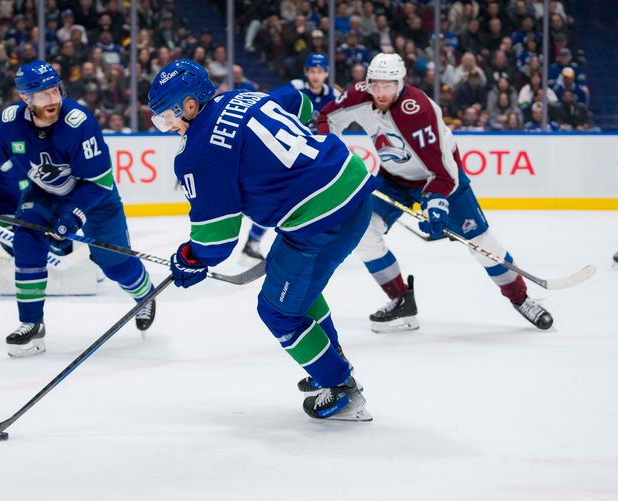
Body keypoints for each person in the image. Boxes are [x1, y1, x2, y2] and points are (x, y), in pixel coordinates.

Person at [148, 59, 378, 421]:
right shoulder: (243, 96)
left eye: (167, 116)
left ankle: (340, 387)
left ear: (190, 105)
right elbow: (300, 101)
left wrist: (190, 257)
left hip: (318, 222)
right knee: (299, 292)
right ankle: (329, 363)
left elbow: (217, 241)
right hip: (354, 186)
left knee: (277, 311)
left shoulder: (196, 152)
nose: (167, 127)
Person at [317, 53, 553, 333]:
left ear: (400, 83)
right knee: (365, 232)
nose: (380, 92)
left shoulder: (417, 112)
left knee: (481, 242)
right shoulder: (360, 96)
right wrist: (328, 155)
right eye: (375, 85)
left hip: (441, 178)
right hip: (393, 179)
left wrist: (435, 204)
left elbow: (443, 171)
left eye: (388, 86)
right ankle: (401, 300)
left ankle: (521, 298)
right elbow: (326, 118)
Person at [0, 60, 157, 357]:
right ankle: (31, 324)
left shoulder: (78, 123)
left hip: (96, 199)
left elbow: (99, 182)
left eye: (55, 91)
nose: (53, 100)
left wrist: (74, 213)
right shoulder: (10, 121)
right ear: (26, 98)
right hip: (46, 193)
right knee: (26, 236)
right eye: (43, 94)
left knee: (113, 263)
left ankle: (145, 294)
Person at [241, 53, 341, 260]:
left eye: (320, 71)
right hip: (288, 152)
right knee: (282, 196)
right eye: (312, 71)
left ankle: (310, 244)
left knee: (315, 199)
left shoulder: (334, 94)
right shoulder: (296, 87)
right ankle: (254, 241)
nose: (315, 75)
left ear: (326, 73)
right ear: (305, 72)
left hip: (313, 156)